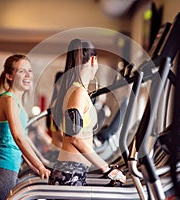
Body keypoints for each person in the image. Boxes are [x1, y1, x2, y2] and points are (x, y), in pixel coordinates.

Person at [49, 39, 126, 186]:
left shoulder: (75, 90)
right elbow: (74, 138)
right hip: (70, 172)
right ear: (93, 60)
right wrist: (107, 169)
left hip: (73, 170)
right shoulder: (77, 92)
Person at [0, 54, 51, 200]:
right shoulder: (8, 100)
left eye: (30, 71)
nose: (28, 75)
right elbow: (18, 138)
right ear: (9, 76)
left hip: (7, 170)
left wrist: (37, 167)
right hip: (2, 169)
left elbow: (20, 142)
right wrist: (40, 166)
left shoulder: (16, 102)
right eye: (21, 71)